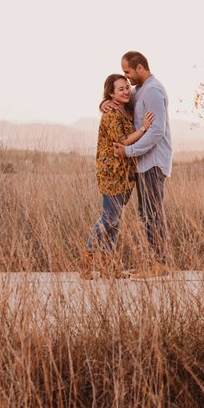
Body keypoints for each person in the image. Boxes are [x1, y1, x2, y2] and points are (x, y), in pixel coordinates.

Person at [79, 73, 154, 280]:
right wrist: (144, 128)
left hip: (125, 174)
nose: (126, 91)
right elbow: (121, 141)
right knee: (109, 218)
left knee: (115, 221)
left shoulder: (126, 109)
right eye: (120, 89)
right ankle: (86, 261)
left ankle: (109, 267)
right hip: (111, 173)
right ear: (111, 94)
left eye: (127, 87)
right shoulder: (111, 114)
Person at [110, 50, 173, 278]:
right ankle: (152, 262)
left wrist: (129, 151)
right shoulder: (139, 91)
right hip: (144, 163)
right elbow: (123, 102)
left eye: (127, 72)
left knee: (152, 213)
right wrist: (106, 103)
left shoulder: (153, 90)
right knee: (145, 213)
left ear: (139, 68)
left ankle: (159, 264)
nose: (126, 77)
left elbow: (157, 130)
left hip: (153, 162)